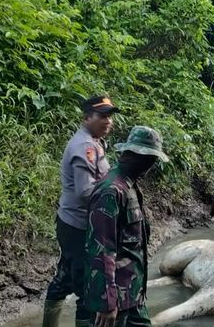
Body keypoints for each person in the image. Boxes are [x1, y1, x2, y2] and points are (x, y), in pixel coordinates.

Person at [43, 96, 120, 327]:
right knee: (86, 290)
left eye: (110, 116)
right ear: (87, 117)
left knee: (65, 277)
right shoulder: (84, 146)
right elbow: (85, 192)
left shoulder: (93, 141)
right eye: (102, 116)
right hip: (78, 226)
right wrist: (115, 194)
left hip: (71, 222)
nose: (108, 121)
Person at [84, 125, 169, 327]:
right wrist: (107, 302)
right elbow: (101, 249)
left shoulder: (129, 186)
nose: (152, 165)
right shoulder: (110, 192)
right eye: (150, 159)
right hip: (114, 301)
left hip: (132, 295)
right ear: (136, 156)